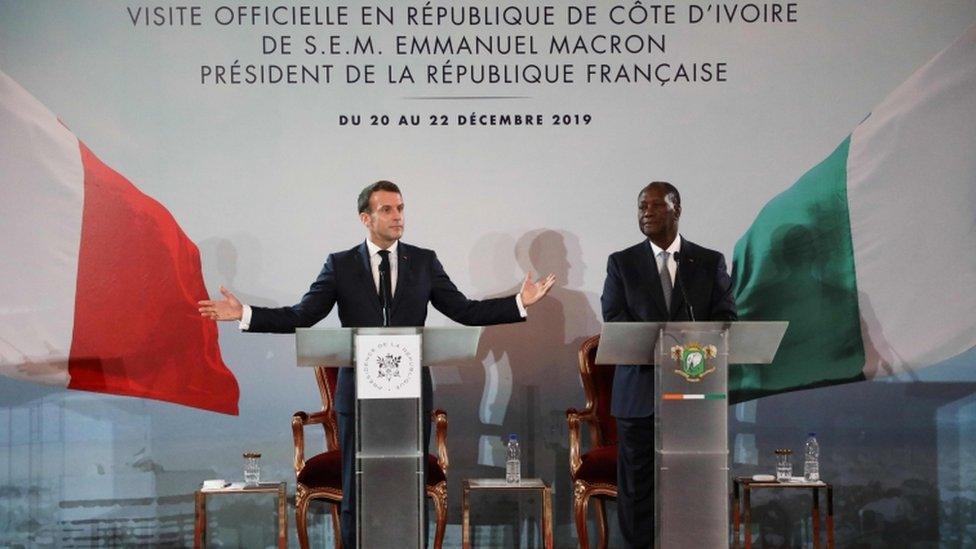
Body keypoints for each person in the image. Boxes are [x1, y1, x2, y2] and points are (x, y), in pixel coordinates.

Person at [199, 180, 555, 547]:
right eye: (387, 210)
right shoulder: (340, 265)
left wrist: (519, 302)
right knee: (358, 488)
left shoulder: (423, 261)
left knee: (409, 486)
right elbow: (302, 315)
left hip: (412, 394)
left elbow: (463, 310)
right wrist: (245, 314)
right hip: (359, 397)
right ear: (365, 218)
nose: (398, 216)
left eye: (401, 208)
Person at [600, 181, 736, 548]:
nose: (645, 211)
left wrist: (687, 344)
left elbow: (725, 319)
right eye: (641, 205)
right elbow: (614, 319)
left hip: (695, 395)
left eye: (656, 205)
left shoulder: (708, 262)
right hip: (639, 395)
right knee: (637, 493)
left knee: (691, 488)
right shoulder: (622, 263)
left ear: (677, 209)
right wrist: (664, 345)